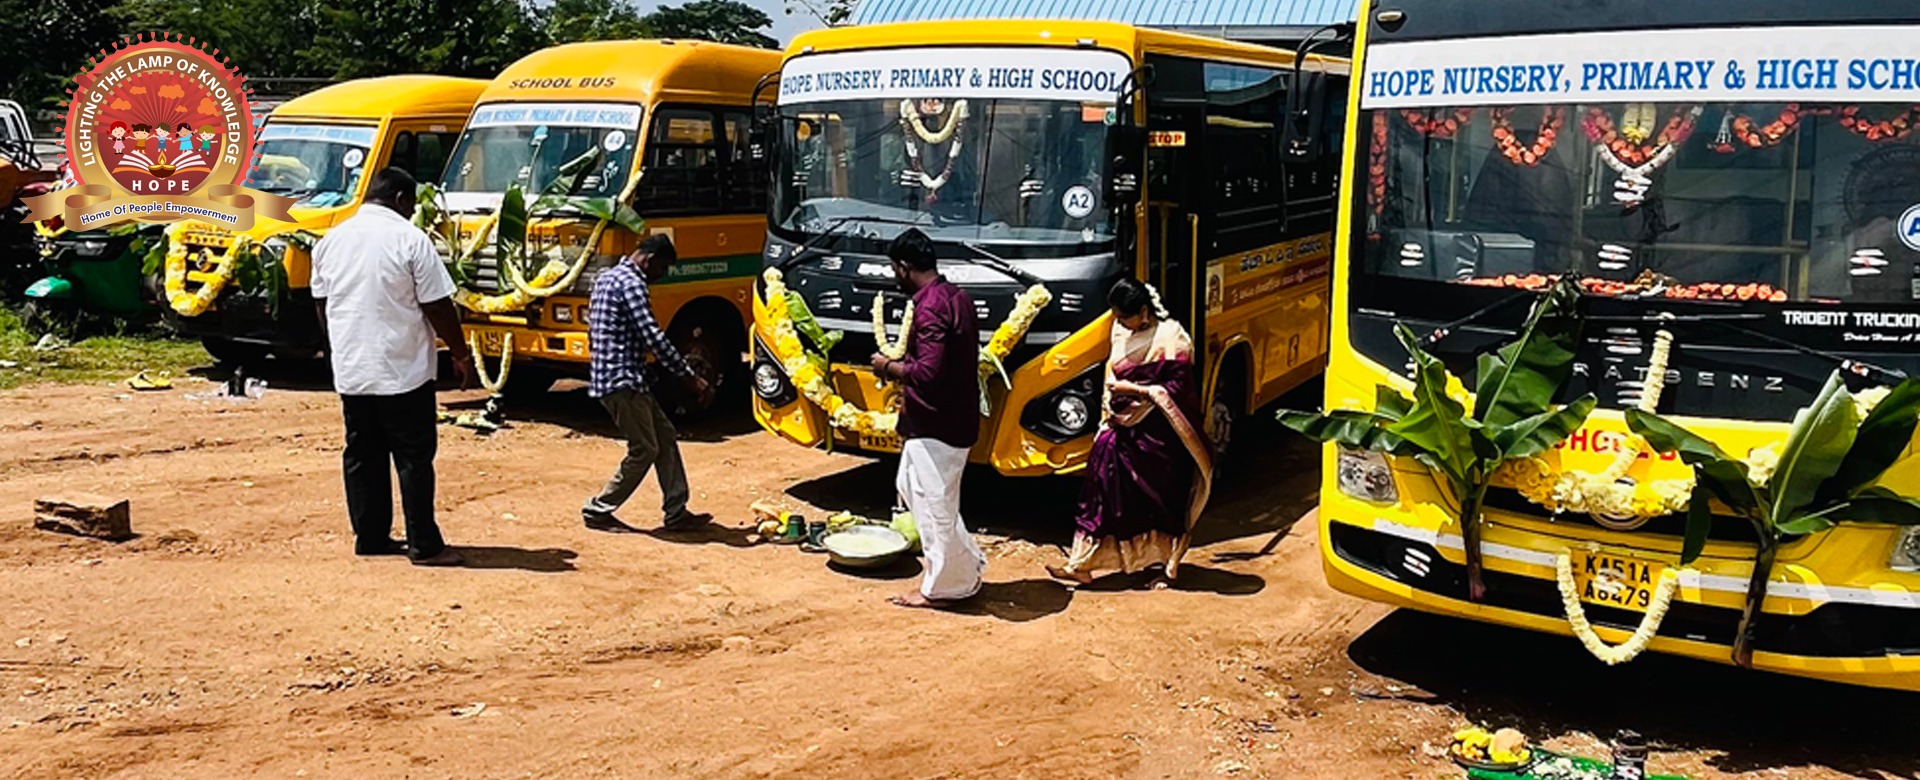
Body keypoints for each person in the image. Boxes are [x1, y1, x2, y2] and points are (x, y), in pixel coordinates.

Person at [310, 167, 474, 567]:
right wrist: (460, 352)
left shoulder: (331, 240)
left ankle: (370, 536)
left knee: (361, 453)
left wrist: (338, 347)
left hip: (352, 370)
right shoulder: (410, 239)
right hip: (402, 371)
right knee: (413, 457)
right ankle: (424, 544)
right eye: (411, 204)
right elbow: (438, 303)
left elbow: (321, 303)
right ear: (401, 199)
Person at [1046, 278, 1213, 588]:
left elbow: (1179, 390)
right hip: (1118, 430)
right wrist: (1112, 409)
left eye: (1125, 317)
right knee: (1098, 494)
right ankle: (1081, 563)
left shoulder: (1171, 337)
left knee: (1158, 505)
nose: (1120, 323)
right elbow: (1111, 372)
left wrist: (1135, 389)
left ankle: (1163, 567)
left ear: (1144, 312)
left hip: (1159, 438)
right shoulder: (1120, 332)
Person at [869, 228, 986, 608]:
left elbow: (929, 372)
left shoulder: (931, 306)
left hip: (938, 423)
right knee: (913, 487)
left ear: (904, 267)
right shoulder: (958, 297)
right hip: (952, 419)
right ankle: (964, 565)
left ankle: (944, 587)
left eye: (894, 270)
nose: (894, 277)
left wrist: (888, 367)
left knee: (934, 504)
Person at [582, 233, 713, 532]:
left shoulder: (607, 277)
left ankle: (676, 510)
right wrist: (688, 377)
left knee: (665, 436)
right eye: (663, 269)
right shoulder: (633, 284)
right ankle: (598, 510)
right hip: (622, 380)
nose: (661, 276)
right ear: (651, 260)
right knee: (644, 448)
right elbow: (652, 336)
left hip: (619, 377)